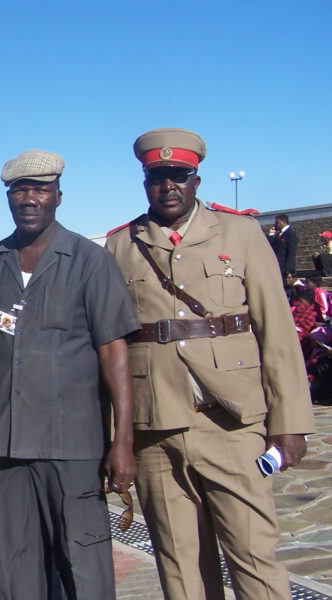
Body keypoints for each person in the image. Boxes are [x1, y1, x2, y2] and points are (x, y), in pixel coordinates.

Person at [105, 127, 315, 600]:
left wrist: (291, 423)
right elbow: (111, 348)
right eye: (158, 177)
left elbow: (276, 331)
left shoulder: (239, 234)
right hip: (156, 429)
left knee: (254, 559)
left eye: (179, 175)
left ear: (196, 180)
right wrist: (116, 437)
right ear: (145, 182)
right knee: (180, 570)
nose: (169, 186)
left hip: (231, 426)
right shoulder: (120, 247)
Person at [0, 149, 139, 600]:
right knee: (11, 566)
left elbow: (113, 353)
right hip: (6, 446)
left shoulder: (90, 260)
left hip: (73, 445)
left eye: (40, 190)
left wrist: (123, 440)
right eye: (20, 190)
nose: (29, 199)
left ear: (58, 196)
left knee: (82, 564)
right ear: (8, 198)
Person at [268, 213, 299, 277]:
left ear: (284, 222)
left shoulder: (290, 233)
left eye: (277, 222)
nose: (275, 225)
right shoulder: (278, 234)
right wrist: (271, 234)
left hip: (284, 266)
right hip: (277, 264)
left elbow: (291, 252)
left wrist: (290, 269)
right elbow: (271, 244)